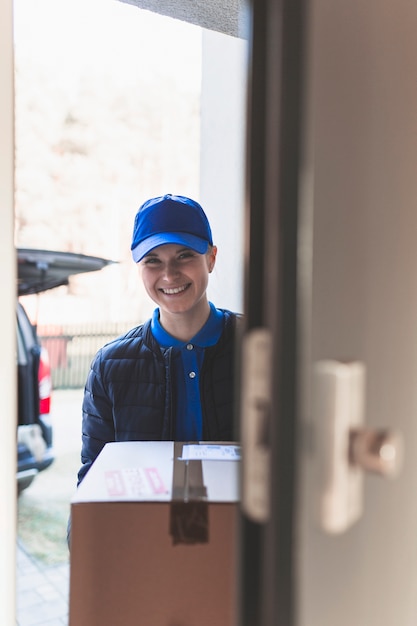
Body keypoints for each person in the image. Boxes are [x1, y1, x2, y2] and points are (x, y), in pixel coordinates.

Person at [76, 193, 241, 486]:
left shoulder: (258, 347)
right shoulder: (110, 367)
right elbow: (93, 480)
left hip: (240, 531)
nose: (169, 274)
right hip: (145, 531)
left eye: (184, 255)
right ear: (139, 268)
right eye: (153, 260)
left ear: (211, 258)